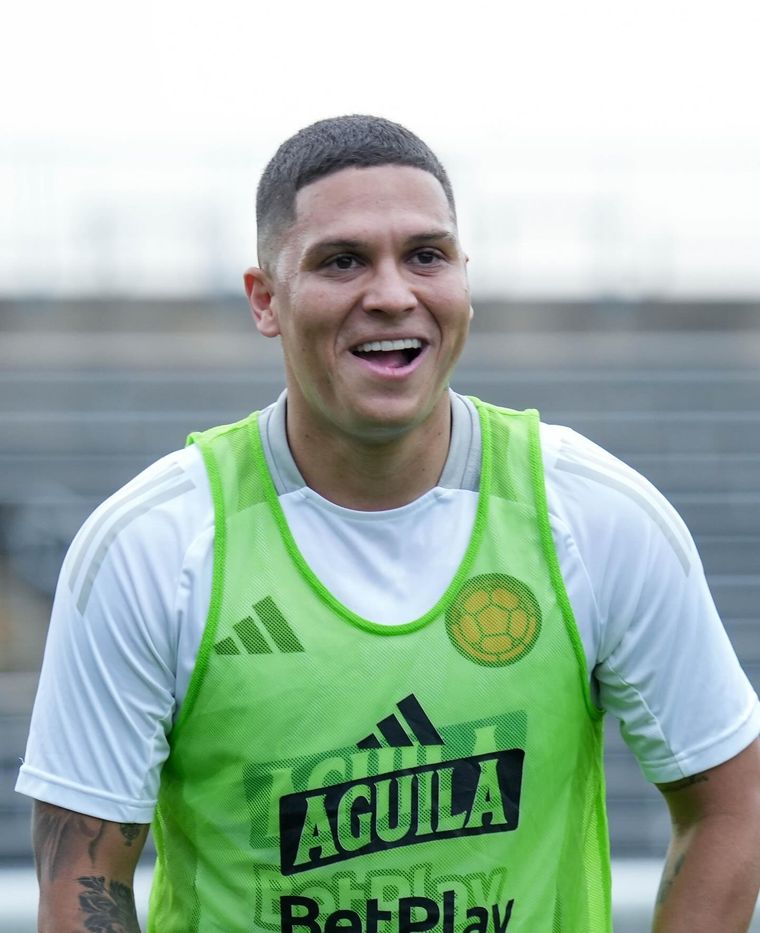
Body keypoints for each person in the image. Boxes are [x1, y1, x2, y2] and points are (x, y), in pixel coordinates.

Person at [17, 115, 760, 932]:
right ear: (266, 300)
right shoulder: (150, 546)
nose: (393, 294)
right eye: (342, 260)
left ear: (464, 279)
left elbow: (735, 804)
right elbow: (83, 878)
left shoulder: (595, 515)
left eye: (426, 255)